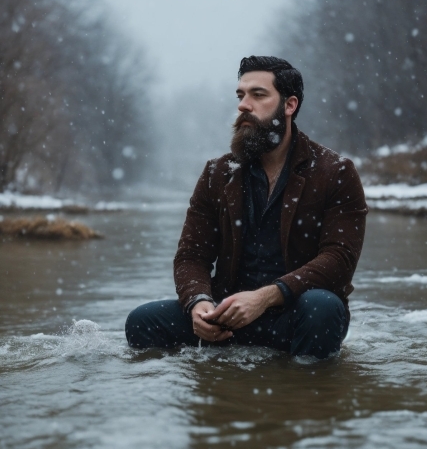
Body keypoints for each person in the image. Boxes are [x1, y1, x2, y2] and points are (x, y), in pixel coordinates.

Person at [125, 56, 368, 359]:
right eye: (240, 95)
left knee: (323, 307)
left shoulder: (335, 172)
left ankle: (305, 396)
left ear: (289, 105)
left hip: (294, 316)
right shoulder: (217, 173)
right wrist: (199, 304)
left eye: (258, 94)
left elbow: (339, 260)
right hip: (228, 317)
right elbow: (191, 256)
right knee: (141, 322)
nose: (243, 105)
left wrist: (266, 297)